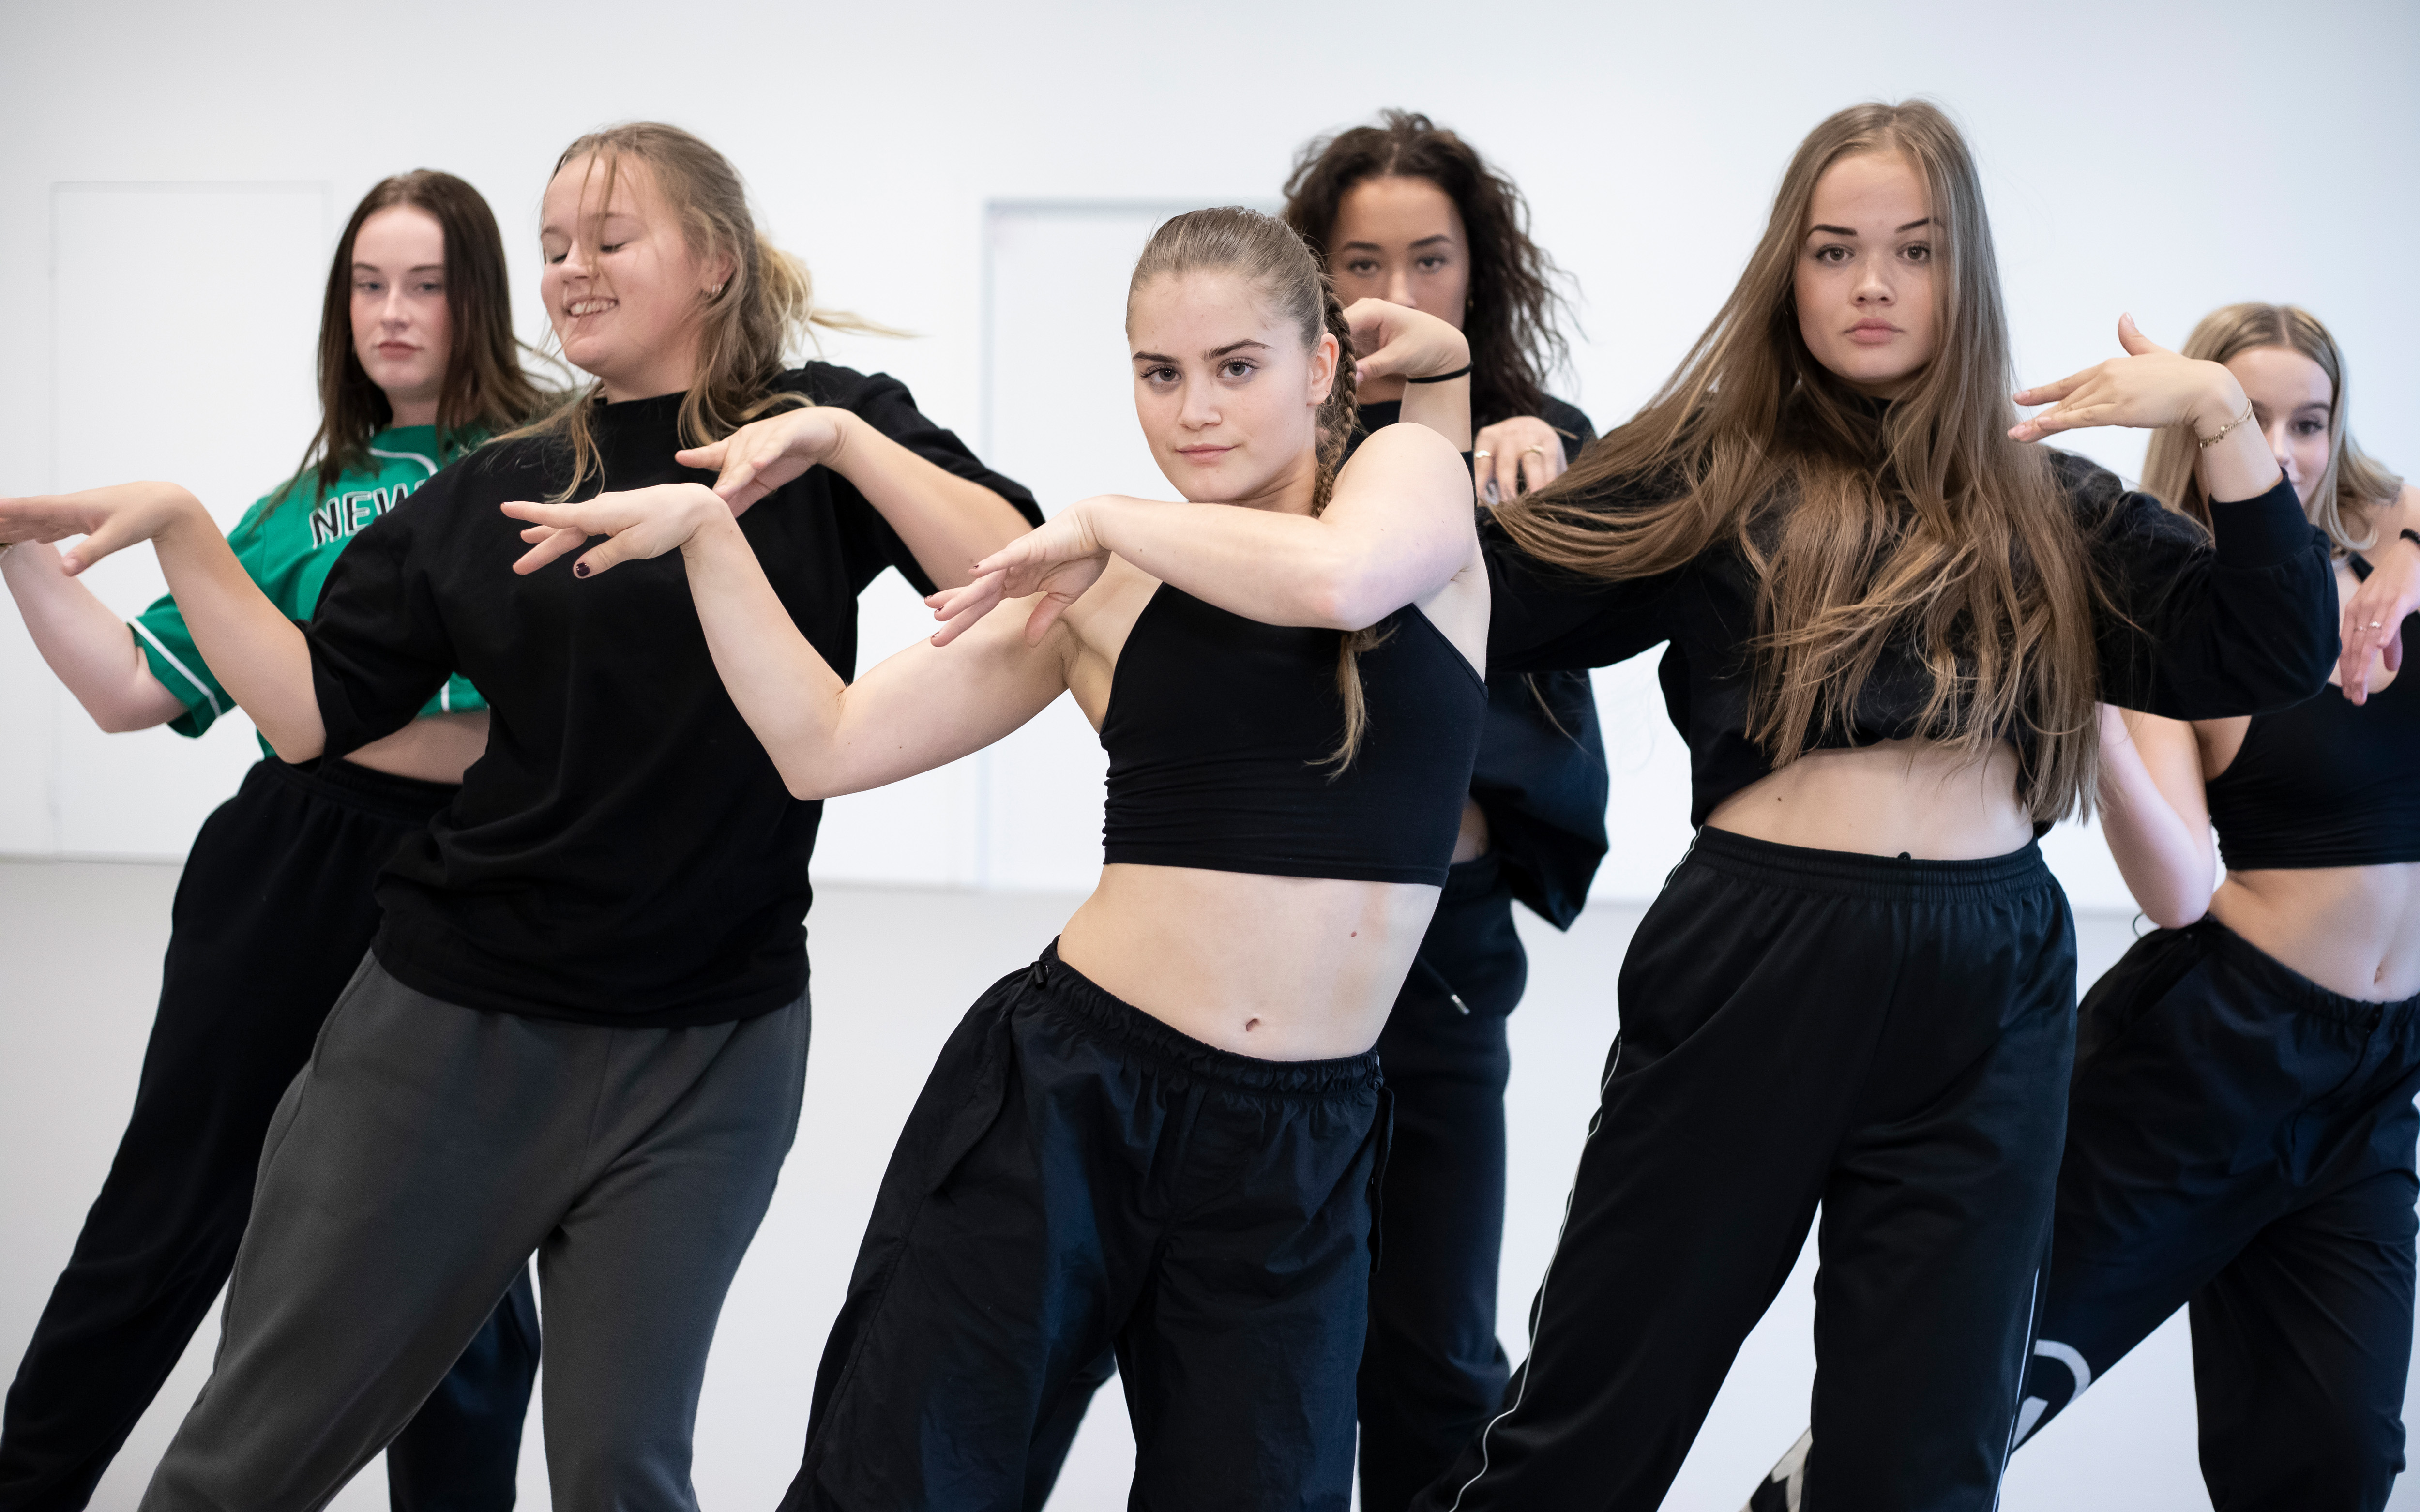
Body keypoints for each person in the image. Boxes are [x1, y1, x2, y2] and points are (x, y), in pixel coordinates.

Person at [0, 121, 1040, 1512]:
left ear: (716, 260)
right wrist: (191, 532)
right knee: (244, 1461)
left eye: (610, 241)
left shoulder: (809, 436)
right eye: (554, 248)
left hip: (712, 1045)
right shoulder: (491, 486)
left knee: (621, 1465)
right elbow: (315, 713)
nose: (570, 272)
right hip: (458, 1022)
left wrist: (844, 441)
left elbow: (1022, 573)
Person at [1407, 101, 2339, 1512]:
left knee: (1922, 1459)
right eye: (1836, 250)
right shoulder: (1710, 464)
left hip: (1991, 976)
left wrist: (2217, 417)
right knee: (1591, 1425)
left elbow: (2271, 647)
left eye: (1913, 250)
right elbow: (1484, 602)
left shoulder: (2053, 503)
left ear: (1963, 276)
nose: (1873, 283)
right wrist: (1443, 427)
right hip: (1759, 955)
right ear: (1791, 269)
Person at [500, 206, 1490, 1512]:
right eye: (1158, 372)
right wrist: (709, 542)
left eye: (1236, 366)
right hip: (1069, 1096)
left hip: (1295, 1148)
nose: (1193, 410)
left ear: (1321, 369)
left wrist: (1103, 518)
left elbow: (1337, 579)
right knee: (902, 1484)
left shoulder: (1404, 491)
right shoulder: (1104, 583)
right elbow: (826, 742)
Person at [1744, 303, 2420, 1512]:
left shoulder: (2388, 574)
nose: (2282, 450)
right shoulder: (2178, 610)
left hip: (2373, 1086)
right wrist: (2096, 690)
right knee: (1964, 1403)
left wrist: (2413, 544)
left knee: (2335, 1461)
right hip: (2209, 1055)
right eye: (2248, 417)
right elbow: (2175, 886)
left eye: (2306, 423)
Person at [0, 170, 549, 1512]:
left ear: (478, 295)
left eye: (426, 282)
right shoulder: (302, 503)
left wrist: (295, 707)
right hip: (284, 872)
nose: (394, 312)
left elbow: (492, 742)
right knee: (168, 1211)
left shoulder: (539, 475)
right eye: (369, 283)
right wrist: (20, 552)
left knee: (466, 1271)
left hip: (463, 882)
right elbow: (135, 687)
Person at [1284, 110, 1608, 1512]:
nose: (1398, 296)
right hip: (1278, 937)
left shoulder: (1538, 444)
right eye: (1363, 261)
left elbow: (1574, 596)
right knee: (1273, 1333)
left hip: (1449, 943)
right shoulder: (1273, 429)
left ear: (1478, 278)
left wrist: (1514, 442)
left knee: (1434, 1345)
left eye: (1432, 261)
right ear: (1309, 276)